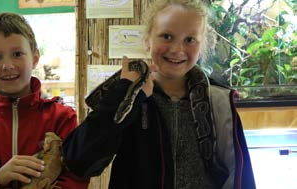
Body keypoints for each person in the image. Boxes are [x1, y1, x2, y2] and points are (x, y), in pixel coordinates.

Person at [61, 0, 256, 188]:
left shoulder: (218, 101)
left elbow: (240, 176)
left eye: (190, 39)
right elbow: (79, 162)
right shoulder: (126, 92)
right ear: (147, 40)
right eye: (166, 36)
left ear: (201, 46)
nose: (177, 50)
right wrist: (124, 92)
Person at [0, 12, 89, 188]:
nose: (8, 66)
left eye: (17, 54)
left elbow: (76, 179)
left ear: (35, 58)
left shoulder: (62, 119)